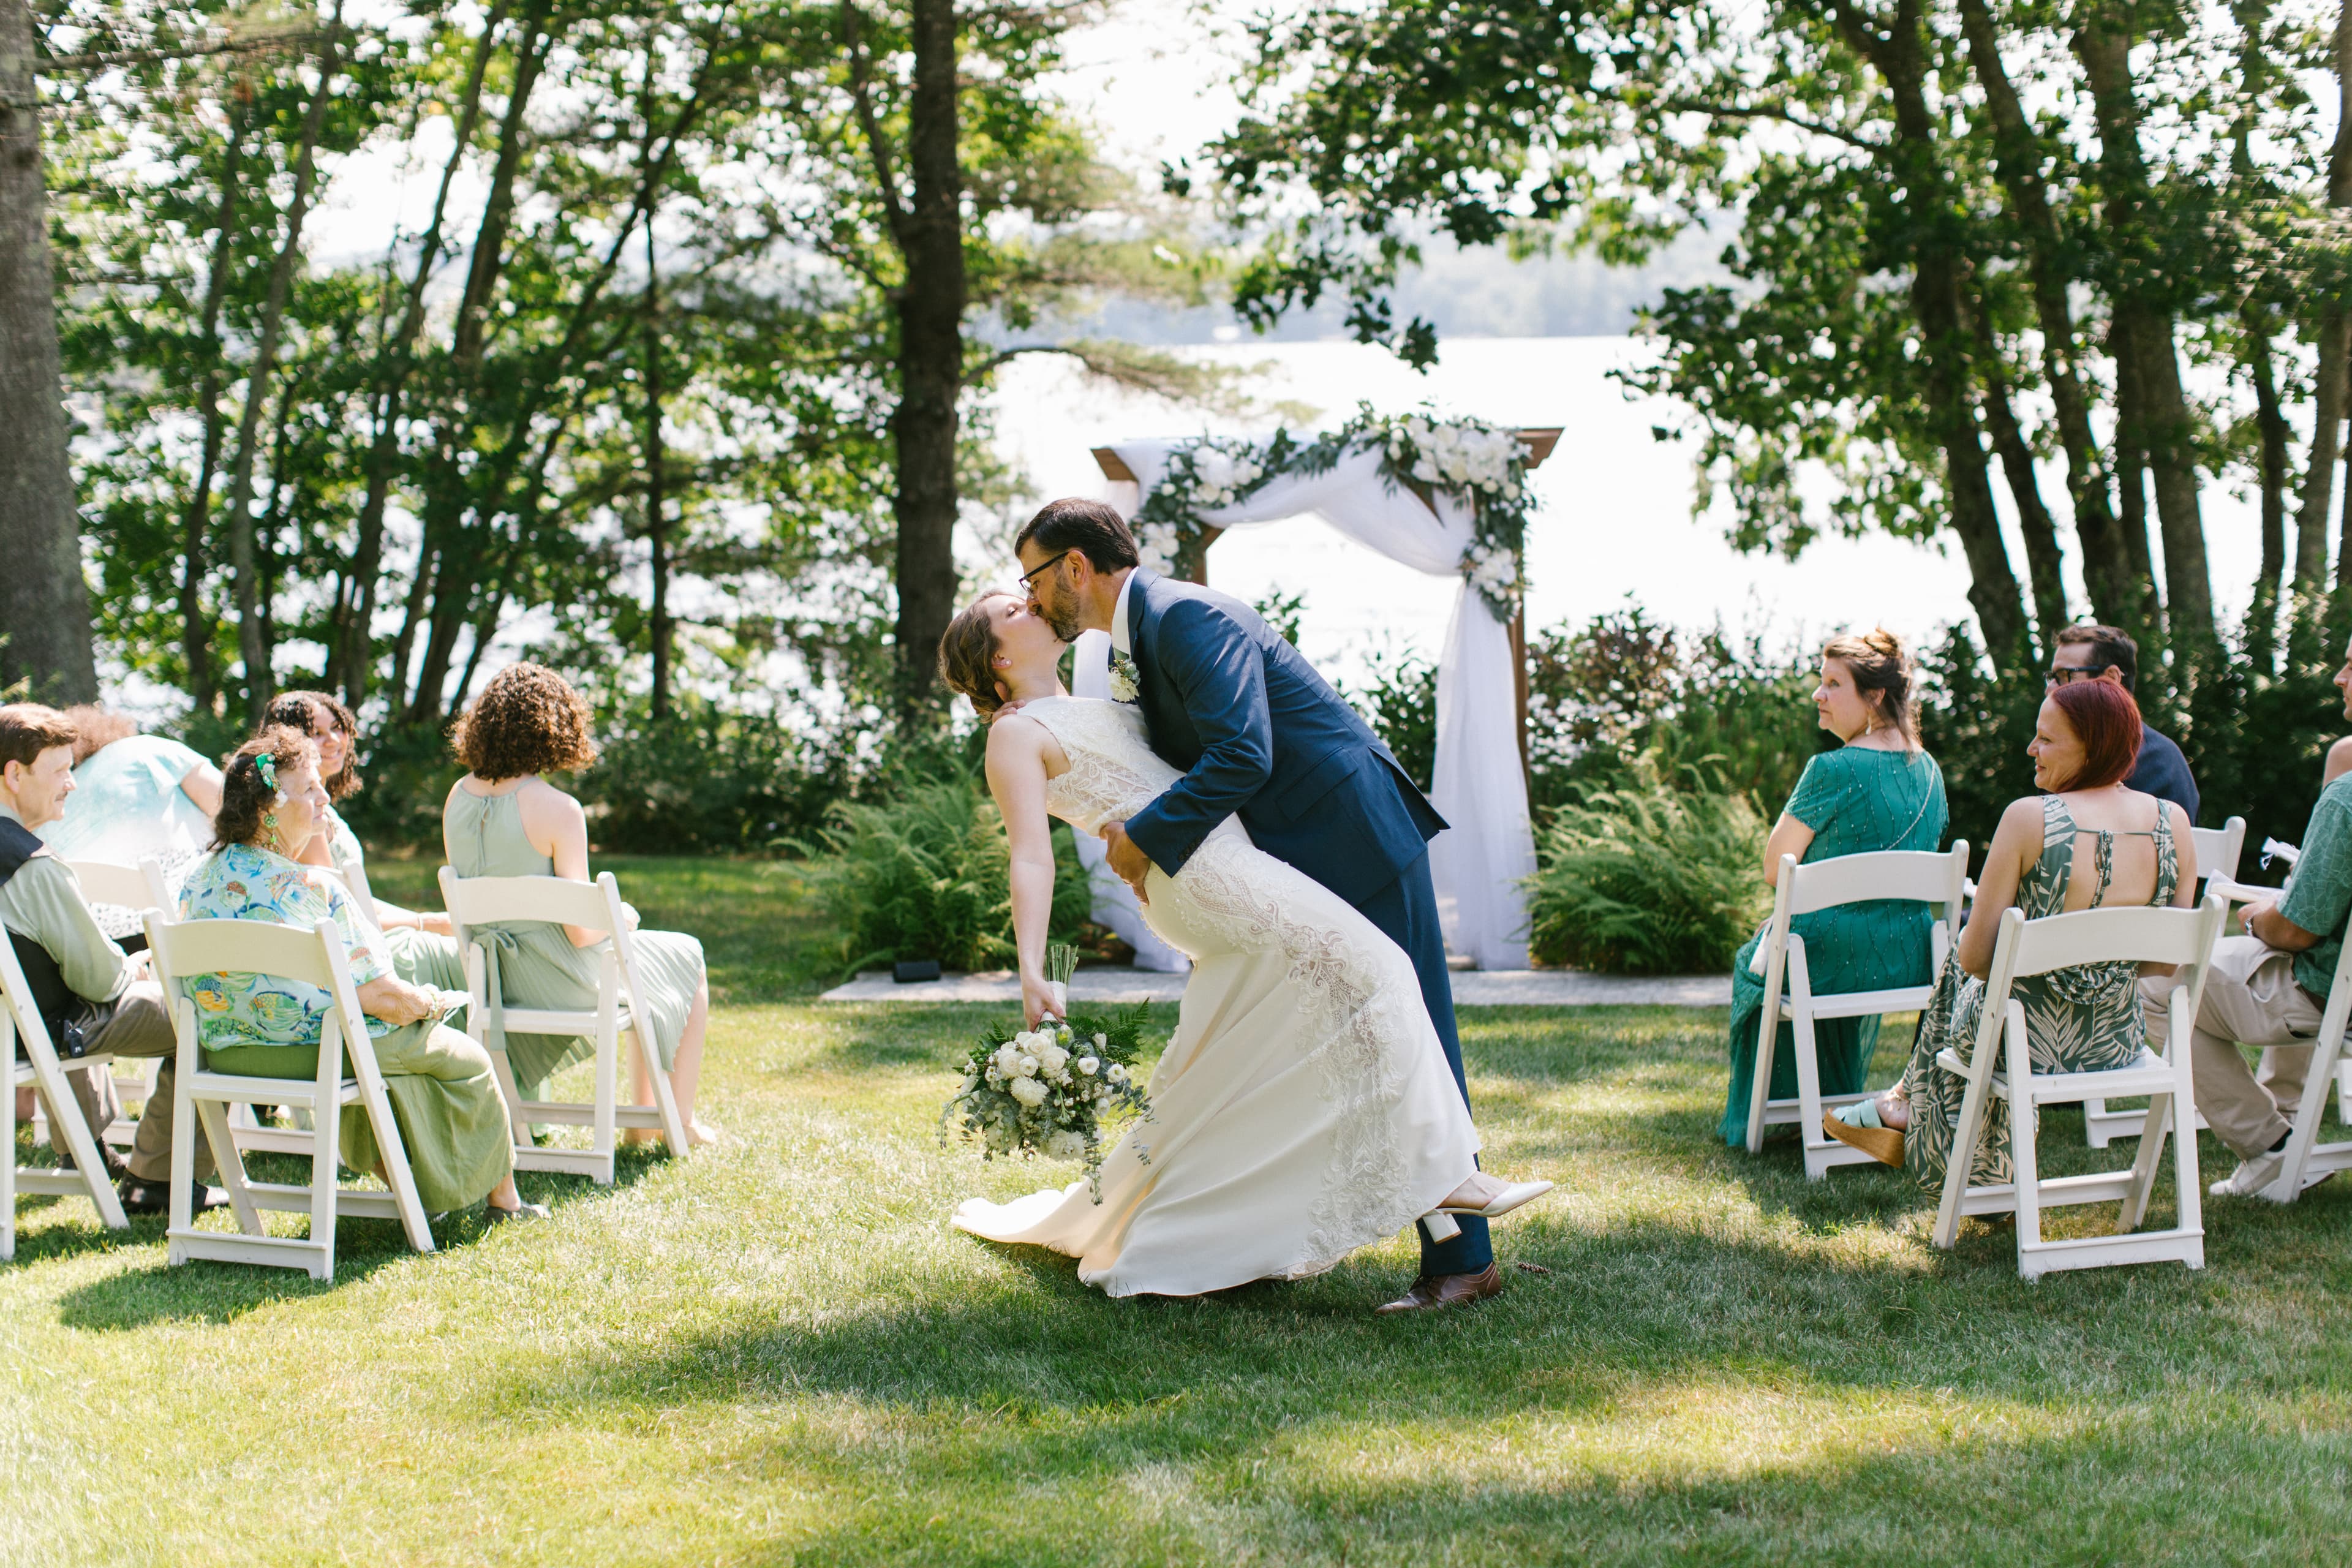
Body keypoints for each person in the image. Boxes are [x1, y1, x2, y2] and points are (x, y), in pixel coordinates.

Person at [975, 498, 1550, 1312]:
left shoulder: (1184, 617)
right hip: (1264, 862)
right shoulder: (1132, 653)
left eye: (1032, 580)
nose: (1031, 600)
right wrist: (1052, 952)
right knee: (1302, 1039)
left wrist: (1145, 837)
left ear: (1075, 566)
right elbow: (1077, 822)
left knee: (1407, 1012)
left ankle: (1462, 1256)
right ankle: (1239, 1232)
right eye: (1015, 603)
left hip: (1350, 830)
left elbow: (1245, 751)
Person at [1826, 679, 2197, 1185]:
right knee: (1989, 991)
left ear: (2091, 747)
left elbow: (1978, 958)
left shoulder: (2029, 819)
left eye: (2045, 739)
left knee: (1970, 974)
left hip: (2017, 1042)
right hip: (2116, 1041)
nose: (2031, 750)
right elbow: (2164, 964)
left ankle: (1930, 1124)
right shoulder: (2172, 823)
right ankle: (1915, 1111)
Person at [173, 726, 540, 1221]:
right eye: (308, 789)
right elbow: (379, 996)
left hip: (228, 1055)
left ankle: (419, 1192)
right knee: (469, 1059)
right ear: (268, 810)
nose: (325, 796)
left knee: (394, 1069)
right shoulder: (314, 889)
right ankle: (505, 1203)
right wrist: (433, 1003)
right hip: (319, 1052)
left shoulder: (195, 884)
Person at [442, 665, 718, 1147]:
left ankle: (645, 1116)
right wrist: (621, 918)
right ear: (554, 726)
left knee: (643, 969)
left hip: (493, 980)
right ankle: (674, 1119)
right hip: (559, 980)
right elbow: (579, 933)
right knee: (685, 955)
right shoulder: (557, 808)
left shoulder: (456, 798)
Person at [1719, 630, 1948, 1148]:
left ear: (1874, 697)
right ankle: (1829, 1102)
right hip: (1910, 958)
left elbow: (1776, 868)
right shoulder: (1930, 771)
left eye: (1832, 684)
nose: (1818, 696)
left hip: (1829, 961)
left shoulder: (1832, 768)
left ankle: (1772, 1114)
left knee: (1756, 960)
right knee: (1801, 941)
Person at [2144, 630, 2352, 1198]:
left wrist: (2263, 917)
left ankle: (2270, 1148)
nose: (2339, 677)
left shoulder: (2348, 797)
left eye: (2351, 665)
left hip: (2329, 993)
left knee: (2156, 987)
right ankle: (2277, 1128)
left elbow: (2299, 931)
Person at [0, 704, 227, 1215]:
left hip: (14, 1022)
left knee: (60, 988)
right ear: (15, 775)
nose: (72, 785)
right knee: (208, 1015)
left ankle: (84, 1152)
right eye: (60, 771)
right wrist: (138, 966)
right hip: (42, 1031)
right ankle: (159, 1179)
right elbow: (101, 981)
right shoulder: (33, 866)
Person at [262, 690, 462, 991]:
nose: (332, 740)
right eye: (316, 733)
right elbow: (337, 914)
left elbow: (357, 899)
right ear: (291, 744)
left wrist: (428, 920)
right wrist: (426, 923)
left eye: (337, 728)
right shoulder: (304, 818)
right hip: (352, 961)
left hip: (363, 939)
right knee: (464, 959)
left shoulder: (322, 809)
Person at [34, 706, 223, 934]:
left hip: (112, 949)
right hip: (197, 922)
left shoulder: (52, 809)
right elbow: (235, 806)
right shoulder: (146, 750)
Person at [2049, 624, 2199, 823]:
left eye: (2064, 676)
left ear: (2111, 678)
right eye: (2051, 678)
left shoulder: (2159, 762)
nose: (2050, 689)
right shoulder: (2065, 753)